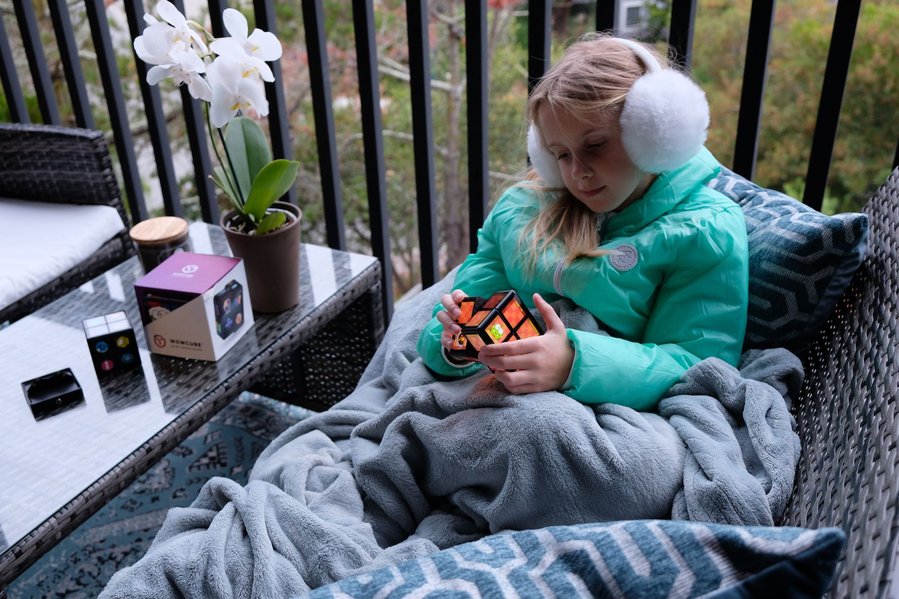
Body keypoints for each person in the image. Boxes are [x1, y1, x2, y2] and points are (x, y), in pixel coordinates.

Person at [417, 34, 749, 411]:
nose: (578, 172)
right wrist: (454, 346)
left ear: (656, 130)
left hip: (602, 403)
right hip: (497, 390)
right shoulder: (520, 210)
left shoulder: (706, 231)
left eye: (595, 146)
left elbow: (696, 364)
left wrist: (574, 363)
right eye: (559, 155)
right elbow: (454, 316)